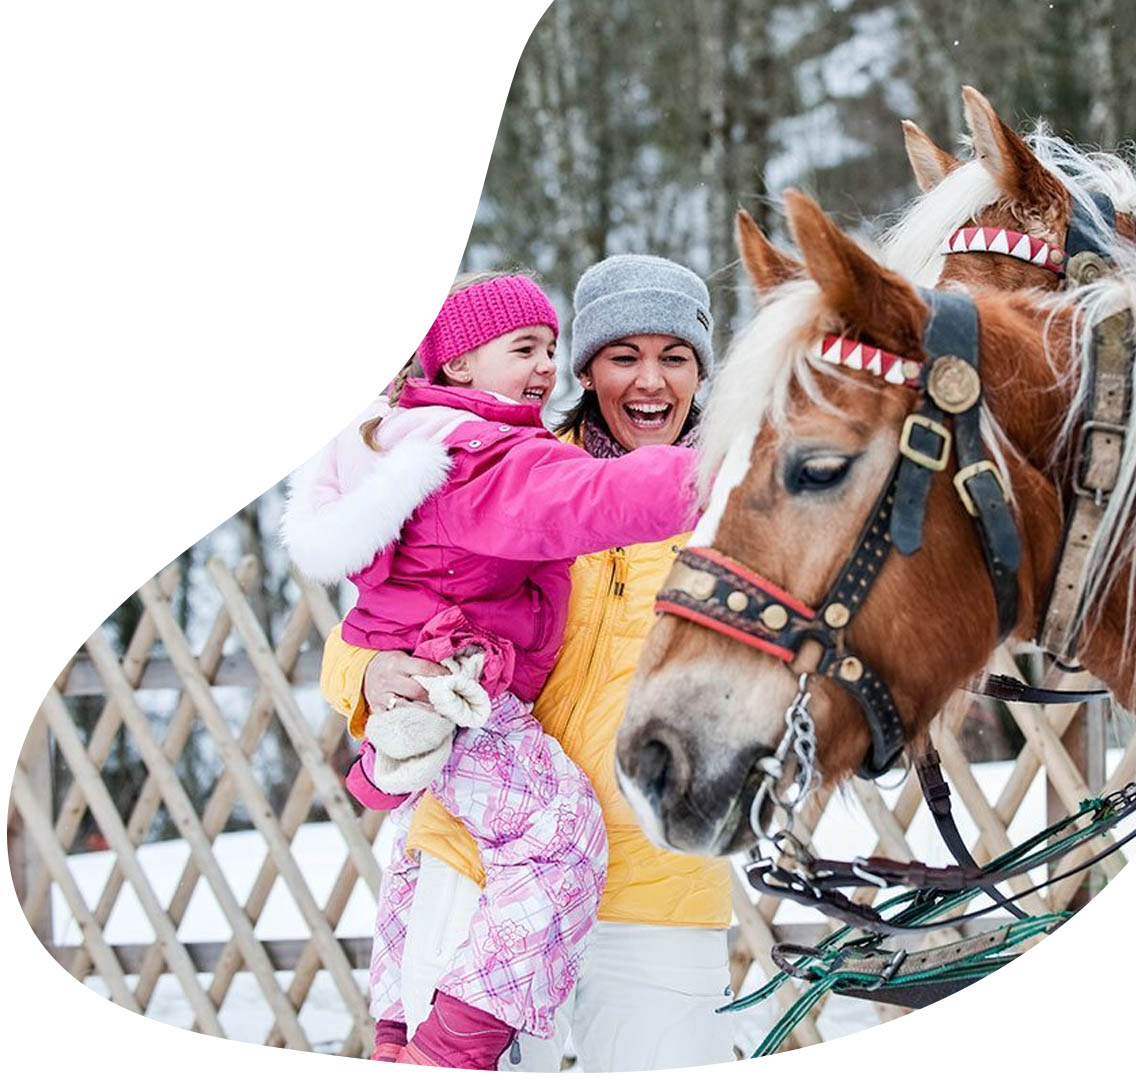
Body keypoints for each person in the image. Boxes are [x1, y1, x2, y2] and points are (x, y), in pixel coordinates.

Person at [322, 255, 736, 1071]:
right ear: (586, 368)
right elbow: (367, 627)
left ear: (702, 370)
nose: (650, 380)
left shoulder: (743, 511)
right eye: (624, 357)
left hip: (661, 895)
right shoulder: (496, 470)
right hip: (484, 874)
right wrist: (369, 678)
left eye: (675, 357)